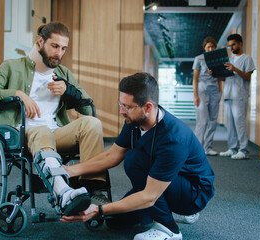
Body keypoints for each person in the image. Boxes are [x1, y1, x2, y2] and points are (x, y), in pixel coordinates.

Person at [0, 22, 107, 216]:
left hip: (56, 132)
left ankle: (94, 192)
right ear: (40, 42)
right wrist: (17, 93)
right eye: (54, 46)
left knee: (92, 123)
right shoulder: (12, 66)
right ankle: (63, 192)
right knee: (41, 129)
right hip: (22, 134)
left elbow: (87, 107)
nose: (58, 53)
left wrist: (69, 91)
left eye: (63, 48)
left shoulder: (63, 73)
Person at [61, 73, 215, 240]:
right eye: (120, 104)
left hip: (193, 193)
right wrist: (68, 171)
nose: (121, 111)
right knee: (115, 221)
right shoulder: (135, 121)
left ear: (148, 107)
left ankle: (169, 229)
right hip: (160, 180)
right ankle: (156, 211)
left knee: (134, 160)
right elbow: (112, 156)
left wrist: (99, 210)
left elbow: (149, 196)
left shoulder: (174, 138)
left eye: (127, 106)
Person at [218, 34, 256, 160]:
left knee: (240, 123)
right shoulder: (230, 60)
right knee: (231, 125)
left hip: (240, 96)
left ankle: (243, 150)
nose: (232, 48)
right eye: (230, 46)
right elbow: (225, 78)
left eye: (233, 44)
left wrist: (235, 69)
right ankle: (232, 148)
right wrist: (215, 74)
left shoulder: (247, 59)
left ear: (240, 43)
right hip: (228, 95)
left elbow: (247, 77)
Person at [192, 36, 223, 156]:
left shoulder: (218, 59)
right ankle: (198, 148)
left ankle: (208, 147)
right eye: (208, 47)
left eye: (212, 47)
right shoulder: (199, 59)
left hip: (215, 91)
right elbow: (195, 78)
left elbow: (221, 77)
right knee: (202, 120)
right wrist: (195, 95)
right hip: (202, 91)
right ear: (204, 48)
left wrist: (220, 91)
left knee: (213, 120)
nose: (210, 49)